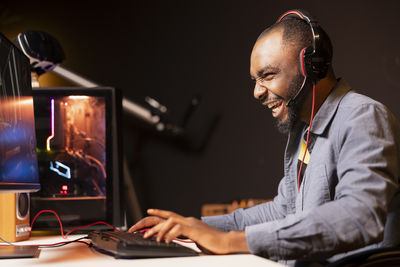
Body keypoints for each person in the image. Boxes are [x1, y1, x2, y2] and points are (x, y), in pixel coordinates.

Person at [129, 9, 400, 266]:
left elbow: (359, 218)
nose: (257, 92)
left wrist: (231, 241)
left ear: (311, 66)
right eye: (255, 80)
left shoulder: (363, 117)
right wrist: (192, 227)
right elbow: (283, 210)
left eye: (267, 75)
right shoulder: (304, 130)